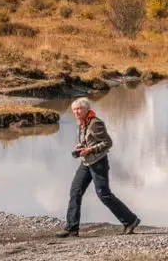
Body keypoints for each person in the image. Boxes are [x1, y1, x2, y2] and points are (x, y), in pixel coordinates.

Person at [56, 97, 140, 238]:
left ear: (86, 109)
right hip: (86, 163)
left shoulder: (95, 123)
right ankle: (72, 228)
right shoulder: (82, 123)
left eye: (79, 109)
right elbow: (89, 141)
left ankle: (130, 221)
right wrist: (81, 146)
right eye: (74, 110)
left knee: (104, 194)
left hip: (99, 162)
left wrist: (90, 150)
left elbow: (108, 143)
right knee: (75, 192)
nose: (76, 112)